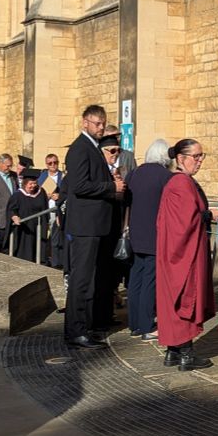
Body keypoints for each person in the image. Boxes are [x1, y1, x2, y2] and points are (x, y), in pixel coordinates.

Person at [156, 138, 218, 370]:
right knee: (185, 298)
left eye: (202, 156)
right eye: (196, 156)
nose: (200, 161)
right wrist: (208, 215)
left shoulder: (178, 182)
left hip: (176, 251)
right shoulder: (181, 183)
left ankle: (173, 352)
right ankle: (186, 354)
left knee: (174, 300)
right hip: (184, 254)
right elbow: (186, 221)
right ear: (181, 159)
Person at [63, 105, 125, 350]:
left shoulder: (92, 147)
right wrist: (111, 188)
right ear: (85, 122)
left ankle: (85, 325)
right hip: (86, 225)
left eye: (103, 123)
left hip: (96, 225)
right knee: (81, 279)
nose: (101, 128)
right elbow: (79, 186)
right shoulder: (80, 148)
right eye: (96, 123)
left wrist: (110, 182)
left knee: (92, 278)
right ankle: (76, 330)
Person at [126, 139, 172, 339]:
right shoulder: (165, 176)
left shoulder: (134, 174)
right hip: (155, 235)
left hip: (136, 233)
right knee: (149, 281)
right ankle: (146, 326)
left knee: (136, 277)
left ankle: (134, 324)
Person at [94, 132, 126, 329]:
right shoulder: (100, 172)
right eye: (112, 150)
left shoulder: (114, 171)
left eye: (118, 150)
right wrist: (113, 186)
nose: (115, 154)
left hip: (113, 229)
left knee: (110, 277)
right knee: (99, 276)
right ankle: (98, 318)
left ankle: (106, 315)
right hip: (100, 228)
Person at [7, 168, 49, 262]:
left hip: (39, 225)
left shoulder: (41, 192)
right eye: (31, 184)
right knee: (26, 248)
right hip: (25, 228)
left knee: (39, 246)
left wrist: (46, 222)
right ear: (25, 183)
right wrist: (14, 217)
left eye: (35, 183)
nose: (33, 186)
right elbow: (11, 209)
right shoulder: (18, 195)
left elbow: (45, 207)